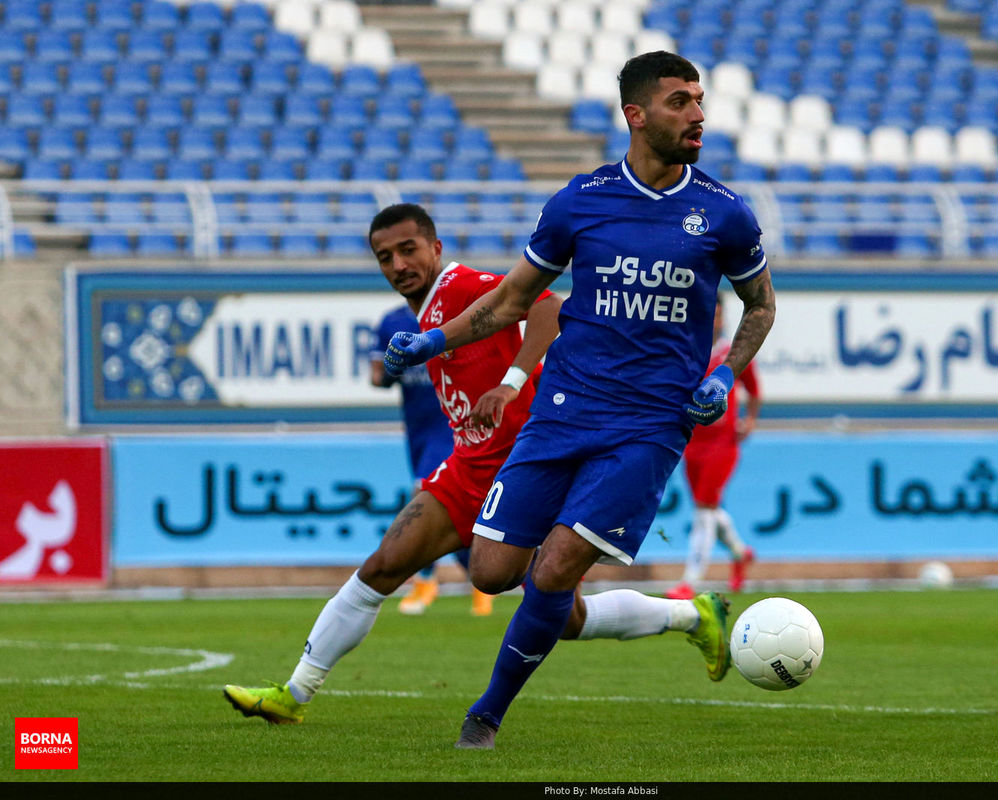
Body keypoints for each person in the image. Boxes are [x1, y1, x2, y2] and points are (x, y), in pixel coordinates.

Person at [384, 51, 777, 749]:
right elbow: (511, 300)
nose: (698, 114)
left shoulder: (725, 214)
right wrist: (434, 342)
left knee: (559, 567)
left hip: (650, 426)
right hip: (561, 412)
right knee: (493, 570)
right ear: (636, 114)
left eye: (699, 100)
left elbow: (760, 307)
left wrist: (722, 376)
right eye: (680, 102)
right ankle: (683, 617)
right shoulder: (580, 200)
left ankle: (486, 714)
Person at [223, 203, 735, 725]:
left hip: (527, 465)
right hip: (469, 468)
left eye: (408, 249)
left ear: (436, 248)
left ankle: (689, 615)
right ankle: (294, 694)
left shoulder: (461, 286)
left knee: (562, 613)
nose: (398, 264)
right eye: (385, 257)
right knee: (383, 568)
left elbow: (547, 308)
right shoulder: (417, 316)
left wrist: (511, 382)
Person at [370, 305, 492, 617]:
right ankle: (479, 581)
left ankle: (425, 581)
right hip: (418, 431)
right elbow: (377, 378)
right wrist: (393, 365)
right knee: (453, 511)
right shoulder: (392, 322)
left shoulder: (458, 312)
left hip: (452, 425)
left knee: (423, 497)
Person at [667, 294, 761, 600]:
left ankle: (689, 582)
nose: (714, 321)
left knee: (705, 509)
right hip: (693, 442)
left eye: (718, 315)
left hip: (723, 443)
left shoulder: (732, 353)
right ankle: (740, 552)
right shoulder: (686, 351)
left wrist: (750, 420)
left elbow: (754, 389)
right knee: (706, 509)